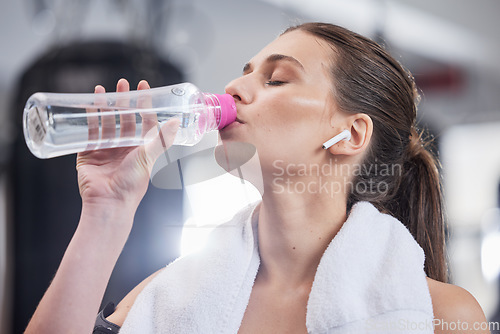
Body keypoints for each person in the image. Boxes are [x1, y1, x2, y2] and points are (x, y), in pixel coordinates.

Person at [25, 22, 489, 334]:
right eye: (244, 72)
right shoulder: (169, 296)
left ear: (350, 134)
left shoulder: (442, 317)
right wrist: (106, 211)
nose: (232, 88)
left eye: (277, 79)